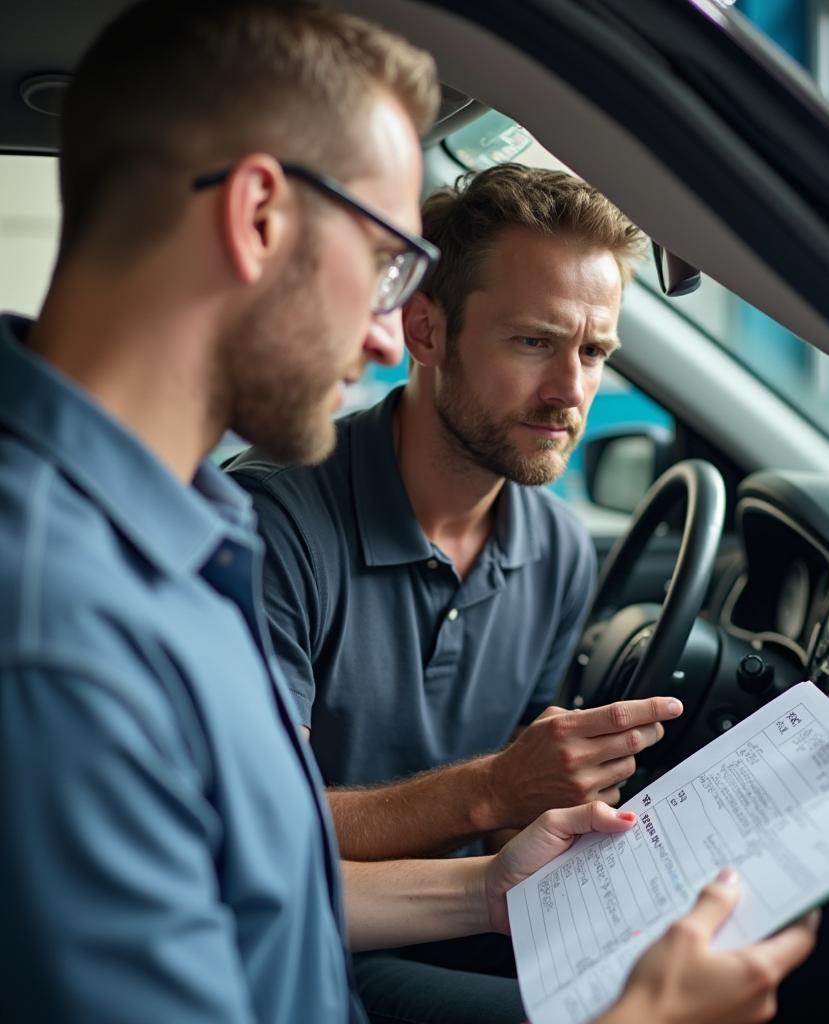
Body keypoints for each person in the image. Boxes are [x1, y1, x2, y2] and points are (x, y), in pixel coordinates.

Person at [0, 2, 818, 1023]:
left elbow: (264, 888)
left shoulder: (178, 531)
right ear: (259, 217)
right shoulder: (57, 622)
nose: (390, 338)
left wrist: (485, 886)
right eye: (387, 262)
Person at [229, 163, 687, 1021]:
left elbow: (508, 830)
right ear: (426, 331)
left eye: (593, 351)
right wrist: (495, 789)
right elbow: (257, 832)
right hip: (289, 941)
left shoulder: (555, 548)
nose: (571, 392)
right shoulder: (273, 523)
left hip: (460, 911)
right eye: (533, 342)